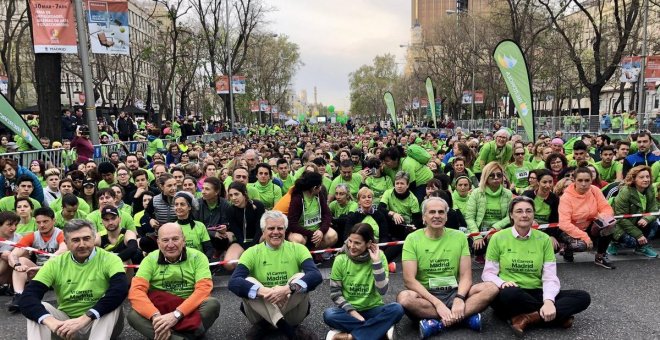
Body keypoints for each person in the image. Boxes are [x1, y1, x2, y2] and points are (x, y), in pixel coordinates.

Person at [482, 196, 591, 336]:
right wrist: (502, 283)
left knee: (582, 297)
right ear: (511, 215)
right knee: (509, 295)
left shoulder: (544, 239)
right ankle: (557, 317)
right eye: (519, 211)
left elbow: (550, 276)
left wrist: (549, 301)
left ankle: (527, 318)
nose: (524, 215)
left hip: (537, 291)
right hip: (510, 290)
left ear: (533, 214)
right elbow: (488, 274)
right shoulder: (498, 237)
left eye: (529, 211)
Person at [396, 197, 498, 338]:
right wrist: (437, 303)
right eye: (432, 212)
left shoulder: (459, 236)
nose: (437, 216)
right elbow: (409, 280)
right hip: (427, 296)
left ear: (446, 216)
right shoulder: (412, 239)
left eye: (441, 212)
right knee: (404, 298)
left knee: (491, 288)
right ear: (424, 217)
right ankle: (463, 318)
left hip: (454, 291)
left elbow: (466, 276)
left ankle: (438, 323)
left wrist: (459, 298)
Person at [18, 219, 129, 340]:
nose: (82, 244)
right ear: (65, 242)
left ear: (94, 238)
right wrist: (51, 322)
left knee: (112, 301)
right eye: (75, 240)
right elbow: (28, 297)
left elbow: (120, 289)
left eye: (86, 238)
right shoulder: (55, 263)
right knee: (38, 307)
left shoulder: (110, 259)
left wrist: (85, 318)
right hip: (66, 326)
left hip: (98, 322)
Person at [228, 210, 322, 339]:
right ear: (263, 231)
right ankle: (288, 330)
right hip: (261, 310)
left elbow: (316, 276)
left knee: (300, 278)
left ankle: (267, 326)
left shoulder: (299, 249)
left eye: (280, 228)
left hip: (290, 306)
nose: (276, 232)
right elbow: (233, 282)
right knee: (248, 280)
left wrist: (286, 290)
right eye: (271, 228)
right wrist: (266, 292)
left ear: (285, 230)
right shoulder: (251, 252)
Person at [127, 223, 221, 339]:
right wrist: (155, 316)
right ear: (158, 243)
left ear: (183, 240)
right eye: (165, 240)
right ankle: (187, 335)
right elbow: (136, 291)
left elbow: (204, 289)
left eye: (175, 239)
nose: (170, 245)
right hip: (159, 310)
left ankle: (170, 336)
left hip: (189, 309)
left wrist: (176, 315)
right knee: (133, 315)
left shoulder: (198, 257)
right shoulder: (149, 259)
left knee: (212, 304)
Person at [323, 223, 404, 340]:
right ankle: (379, 330)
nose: (351, 246)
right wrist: (353, 312)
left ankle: (350, 336)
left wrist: (376, 262)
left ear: (368, 244)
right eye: (350, 241)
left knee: (397, 309)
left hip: (373, 308)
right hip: (349, 310)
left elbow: (382, 290)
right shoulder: (340, 259)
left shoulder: (379, 256)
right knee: (329, 315)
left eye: (357, 243)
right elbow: (335, 293)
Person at [7, 207, 67, 312]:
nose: (42, 225)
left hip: (58, 271)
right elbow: (13, 254)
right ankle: (19, 295)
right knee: (20, 260)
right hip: (39, 271)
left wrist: (45, 266)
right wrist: (17, 265)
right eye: (38, 222)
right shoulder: (32, 236)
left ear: (54, 221)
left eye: (45, 221)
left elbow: (63, 250)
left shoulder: (61, 234)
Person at [558, 166, 617, 268]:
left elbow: (606, 209)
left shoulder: (595, 190)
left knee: (610, 222)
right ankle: (568, 249)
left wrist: (602, 218)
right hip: (571, 230)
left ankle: (600, 256)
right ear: (574, 180)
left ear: (591, 180)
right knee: (579, 246)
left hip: (591, 225)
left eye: (587, 180)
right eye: (580, 180)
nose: (584, 184)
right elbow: (564, 224)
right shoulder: (566, 197)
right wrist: (584, 237)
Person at [464, 162, 513, 263]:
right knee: (479, 250)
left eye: (499, 175)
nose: (496, 178)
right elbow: (469, 217)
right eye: (491, 175)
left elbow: (510, 216)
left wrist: (495, 227)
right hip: (480, 231)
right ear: (486, 176)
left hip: (499, 230)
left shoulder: (508, 194)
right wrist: (476, 235)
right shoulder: (476, 193)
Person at [608, 166, 658, 257]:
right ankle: (614, 242)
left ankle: (642, 247)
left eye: (648, 176)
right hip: (619, 224)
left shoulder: (650, 189)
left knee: (654, 223)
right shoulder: (625, 192)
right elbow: (620, 218)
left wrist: (646, 219)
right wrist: (638, 235)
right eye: (641, 177)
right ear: (634, 179)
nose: (646, 179)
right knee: (631, 242)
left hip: (636, 220)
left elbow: (654, 210)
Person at [286, 171, 338, 251]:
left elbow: (327, 214)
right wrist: (311, 234)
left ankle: (314, 252)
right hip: (302, 233)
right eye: (320, 186)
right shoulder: (297, 199)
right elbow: (292, 224)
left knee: (333, 235)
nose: (321, 188)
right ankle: (303, 254)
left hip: (317, 230)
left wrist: (321, 231)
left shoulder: (318, 194)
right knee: (297, 240)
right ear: (314, 188)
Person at [522, 169, 561, 250]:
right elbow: (519, 212)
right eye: (544, 182)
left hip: (546, 230)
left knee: (553, 245)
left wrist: (552, 236)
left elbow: (555, 220)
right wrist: (530, 220)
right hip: (527, 227)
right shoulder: (527, 195)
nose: (548, 185)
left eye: (550, 182)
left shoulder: (554, 199)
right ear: (538, 182)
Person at [0, 211, 20, 288]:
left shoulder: (18, 238)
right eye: (9, 225)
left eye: (16, 225)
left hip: (8, 274)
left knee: (9, 256)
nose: (14, 228)